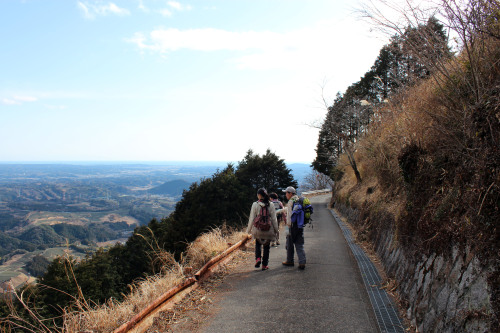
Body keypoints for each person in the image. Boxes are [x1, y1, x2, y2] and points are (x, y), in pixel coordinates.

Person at [246, 188, 279, 271]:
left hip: (258, 230)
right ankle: (264, 265)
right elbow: (274, 219)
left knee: (258, 244)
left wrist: (247, 231)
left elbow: (251, 219)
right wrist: (276, 230)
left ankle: (258, 259)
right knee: (266, 247)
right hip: (268, 230)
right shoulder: (271, 204)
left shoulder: (255, 204)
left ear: (259, 195)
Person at [281, 186, 307, 270]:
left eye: (286, 193)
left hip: (292, 227)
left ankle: (290, 260)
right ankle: (302, 262)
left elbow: (289, 216)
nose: (285, 195)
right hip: (299, 225)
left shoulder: (290, 202)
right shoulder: (299, 200)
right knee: (299, 244)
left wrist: (287, 227)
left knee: (289, 244)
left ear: (291, 193)